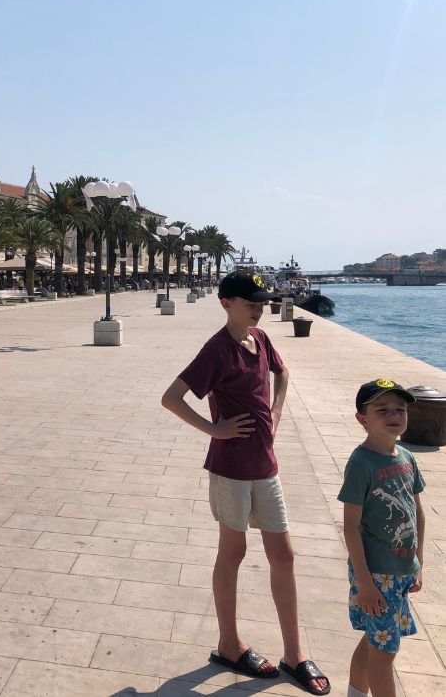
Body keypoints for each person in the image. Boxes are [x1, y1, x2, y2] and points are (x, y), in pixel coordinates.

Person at [161, 270, 329, 695]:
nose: (258, 306)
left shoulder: (262, 339)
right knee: (233, 553)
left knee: (284, 555)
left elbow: (283, 373)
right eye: (250, 300)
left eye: (261, 300)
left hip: (265, 466)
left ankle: (294, 654)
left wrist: (275, 412)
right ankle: (229, 644)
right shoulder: (217, 349)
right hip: (231, 468)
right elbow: (171, 397)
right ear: (226, 303)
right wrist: (212, 429)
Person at [339, 380, 424, 697]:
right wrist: (364, 582)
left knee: (376, 641)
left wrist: (419, 563)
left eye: (400, 409)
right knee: (385, 652)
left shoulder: (405, 457)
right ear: (363, 419)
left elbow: (417, 511)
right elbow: (351, 527)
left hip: (401, 570)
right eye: (382, 409)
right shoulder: (361, 463)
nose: (394, 415)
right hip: (376, 574)